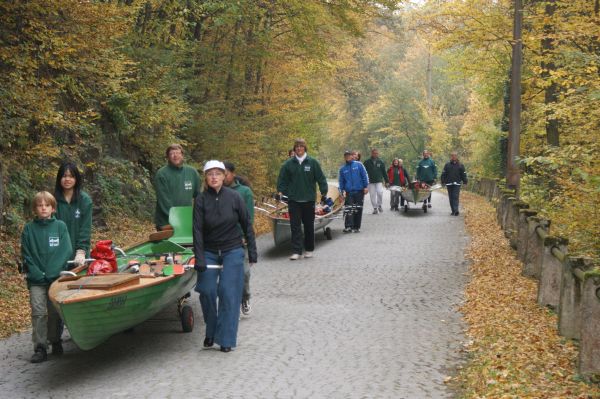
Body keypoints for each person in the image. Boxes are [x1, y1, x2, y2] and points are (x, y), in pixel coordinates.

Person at [193, 160, 257, 353]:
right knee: (207, 290)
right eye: (210, 174)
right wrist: (200, 257)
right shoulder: (201, 200)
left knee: (228, 293)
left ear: (224, 176)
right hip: (210, 251)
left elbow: (247, 225)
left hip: (232, 249)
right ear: (205, 177)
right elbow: (197, 231)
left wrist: (252, 252)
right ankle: (211, 331)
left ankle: (226, 338)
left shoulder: (235, 197)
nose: (214, 177)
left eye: (217, 173)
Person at [21, 192, 72, 363]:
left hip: (54, 278)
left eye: (47, 205)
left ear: (52, 208)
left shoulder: (60, 227)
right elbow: (26, 255)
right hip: (36, 279)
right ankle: (40, 347)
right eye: (39, 205)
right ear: (35, 208)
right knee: (38, 312)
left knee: (54, 312)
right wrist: (38, 273)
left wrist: (51, 272)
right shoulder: (28, 229)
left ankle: (55, 340)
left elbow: (65, 251)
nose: (43, 208)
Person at [277, 138, 328, 260]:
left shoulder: (313, 163)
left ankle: (309, 249)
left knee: (309, 226)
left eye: (301, 146)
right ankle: (296, 251)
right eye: (297, 147)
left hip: (309, 199)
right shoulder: (288, 164)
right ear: (294, 149)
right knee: (295, 227)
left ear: (305, 148)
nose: (299, 148)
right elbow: (282, 180)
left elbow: (320, 178)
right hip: (293, 200)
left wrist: (323, 191)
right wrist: (281, 192)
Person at [223, 161, 255, 316]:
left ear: (232, 174)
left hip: (239, 239)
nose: (222, 177)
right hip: (221, 239)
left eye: (225, 173)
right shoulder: (216, 192)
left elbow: (248, 217)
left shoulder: (245, 192)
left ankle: (245, 297)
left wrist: (244, 235)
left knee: (244, 272)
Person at [54, 162, 92, 268]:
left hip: (79, 255)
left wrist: (81, 251)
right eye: (64, 176)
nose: (67, 179)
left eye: (71, 176)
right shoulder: (52, 200)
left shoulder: (84, 200)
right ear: (59, 178)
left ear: (76, 179)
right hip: (58, 253)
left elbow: (86, 228)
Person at [154, 144, 201, 230]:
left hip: (187, 221)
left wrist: (197, 216)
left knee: (187, 243)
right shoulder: (161, 174)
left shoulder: (192, 172)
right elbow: (164, 201)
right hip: (167, 222)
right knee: (169, 243)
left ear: (182, 155)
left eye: (178, 153)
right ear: (168, 157)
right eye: (172, 153)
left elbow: (198, 196)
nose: (175, 156)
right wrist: (177, 220)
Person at [338, 150, 369, 233]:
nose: (348, 157)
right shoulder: (342, 169)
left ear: (352, 156)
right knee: (349, 209)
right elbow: (341, 182)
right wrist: (341, 192)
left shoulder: (359, 165)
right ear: (344, 157)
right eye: (346, 156)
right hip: (349, 192)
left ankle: (356, 227)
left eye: (349, 155)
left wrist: (366, 186)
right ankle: (348, 226)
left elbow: (364, 176)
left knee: (358, 209)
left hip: (359, 191)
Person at [441, 152, 468, 216]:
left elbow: (463, 174)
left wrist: (465, 181)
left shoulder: (460, 165)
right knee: (451, 197)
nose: (454, 157)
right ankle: (453, 210)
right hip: (449, 183)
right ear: (451, 157)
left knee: (455, 196)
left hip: (457, 183)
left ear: (457, 157)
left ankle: (456, 210)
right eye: (452, 156)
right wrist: (443, 181)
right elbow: (444, 173)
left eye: (455, 156)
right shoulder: (447, 165)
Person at [363, 148, 388, 214]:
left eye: (376, 153)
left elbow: (384, 172)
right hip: (370, 181)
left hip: (379, 180)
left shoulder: (381, 162)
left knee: (380, 192)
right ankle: (375, 208)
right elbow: (363, 172)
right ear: (371, 153)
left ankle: (379, 205)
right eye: (374, 153)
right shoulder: (366, 162)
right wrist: (364, 182)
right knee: (372, 195)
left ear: (378, 154)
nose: (375, 154)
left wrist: (387, 181)